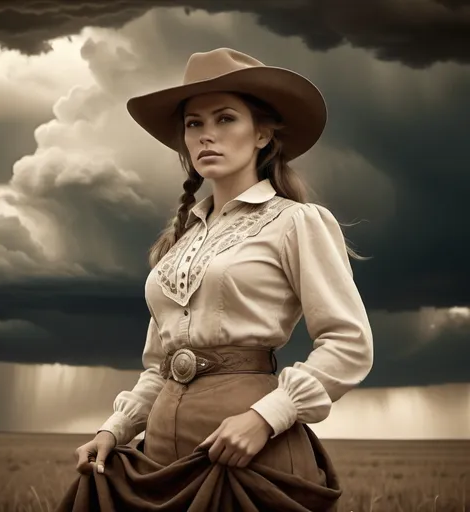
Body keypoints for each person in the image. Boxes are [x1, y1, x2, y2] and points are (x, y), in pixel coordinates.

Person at [56, 47, 373, 512]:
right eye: (194, 124)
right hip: (159, 458)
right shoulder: (177, 244)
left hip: (247, 452)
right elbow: (159, 365)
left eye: (225, 119)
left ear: (263, 133)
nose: (207, 136)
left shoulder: (297, 221)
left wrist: (266, 418)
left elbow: (349, 342)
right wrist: (116, 428)